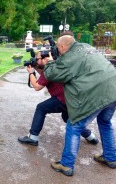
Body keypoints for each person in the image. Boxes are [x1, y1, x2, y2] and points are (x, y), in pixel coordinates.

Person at [44, 35, 116, 176]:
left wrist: (50, 62)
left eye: (58, 48)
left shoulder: (70, 57)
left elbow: (52, 75)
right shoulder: (87, 47)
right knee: (105, 122)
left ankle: (66, 164)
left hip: (97, 93)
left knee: (74, 126)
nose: (57, 50)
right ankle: (111, 158)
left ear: (63, 47)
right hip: (113, 90)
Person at [18, 51, 98, 146]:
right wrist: (36, 67)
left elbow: (36, 86)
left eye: (37, 59)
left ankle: (33, 137)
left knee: (41, 108)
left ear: (44, 59)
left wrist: (31, 73)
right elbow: (44, 78)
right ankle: (91, 137)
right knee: (67, 118)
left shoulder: (49, 70)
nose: (36, 60)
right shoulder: (57, 64)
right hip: (72, 98)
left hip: (62, 98)